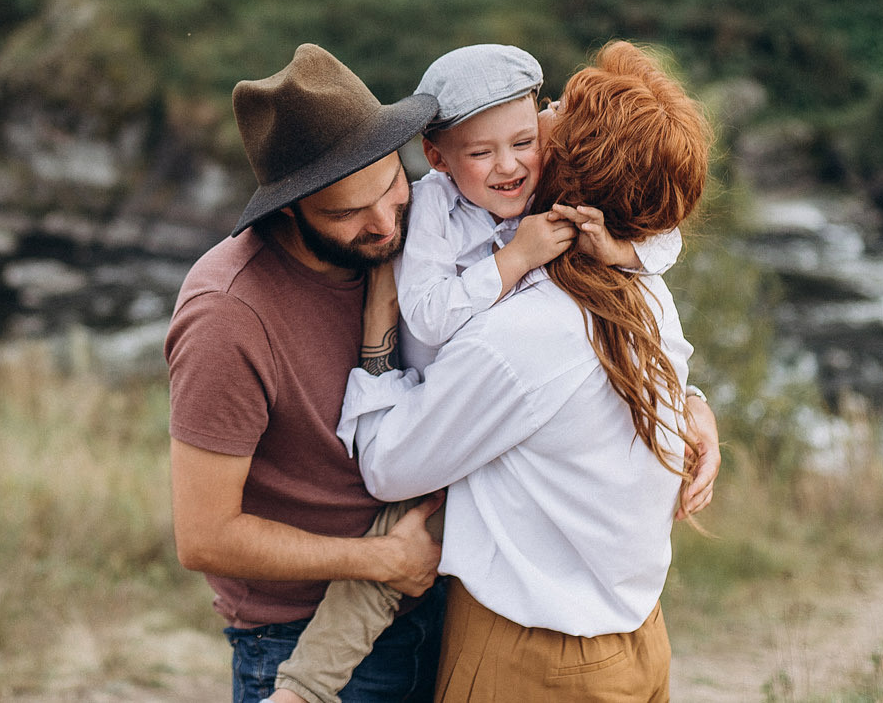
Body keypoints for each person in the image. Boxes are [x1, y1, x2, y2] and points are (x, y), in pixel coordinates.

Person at [164, 43, 720, 703]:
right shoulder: (231, 312)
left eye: (387, 187)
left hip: (450, 593)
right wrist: (378, 559)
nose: (383, 223)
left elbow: (645, 235)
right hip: (308, 617)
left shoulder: (489, 212)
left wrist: (687, 398)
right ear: (290, 208)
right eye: (347, 212)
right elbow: (205, 535)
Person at [336, 40, 714, 702]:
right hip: (639, 638)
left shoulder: (520, 337)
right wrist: (696, 404)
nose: (546, 111)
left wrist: (376, 337)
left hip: (534, 661)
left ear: (559, 167)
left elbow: (390, 465)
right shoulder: (642, 283)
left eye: (555, 113)